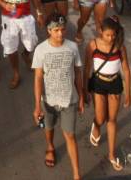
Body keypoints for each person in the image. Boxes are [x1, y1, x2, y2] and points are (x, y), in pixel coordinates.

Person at [31, 13, 84, 179]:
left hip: (69, 99)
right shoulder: (41, 50)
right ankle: (50, 147)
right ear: (48, 31)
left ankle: (76, 174)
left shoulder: (73, 47)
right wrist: (38, 106)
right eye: (56, 30)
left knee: (70, 135)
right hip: (48, 101)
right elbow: (38, 77)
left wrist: (81, 96)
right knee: (49, 127)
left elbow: (78, 73)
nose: (60, 34)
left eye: (62, 29)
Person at [83, 17, 131, 171]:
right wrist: (85, 90)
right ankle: (96, 125)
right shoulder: (93, 45)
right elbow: (87, 69)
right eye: (108, 35)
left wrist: (128, 94)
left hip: (114, 84)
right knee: (101, 117)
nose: (111, 38)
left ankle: (111, 154)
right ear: (100, 31)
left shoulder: (120, 47)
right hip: (98, 83)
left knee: (112, 120)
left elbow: (126, 70)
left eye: (113, 35)